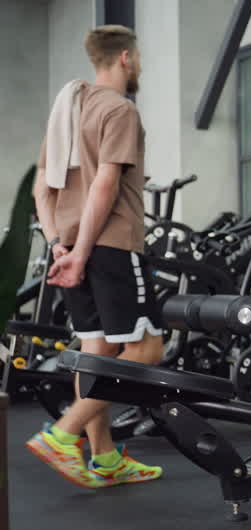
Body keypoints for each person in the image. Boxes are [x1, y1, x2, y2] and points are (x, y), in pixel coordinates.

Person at [25, 25, 164, 488]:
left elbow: (41, 187)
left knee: (97, 350)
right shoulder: (119, 110)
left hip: (69, 244)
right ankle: (63, 434)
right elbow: (105, 185)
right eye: (138, 57)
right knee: (146, 349)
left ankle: (104, 458)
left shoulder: (67, 111)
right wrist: (82, 253)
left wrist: (58, 244)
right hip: (111, 244)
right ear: (126, 58)